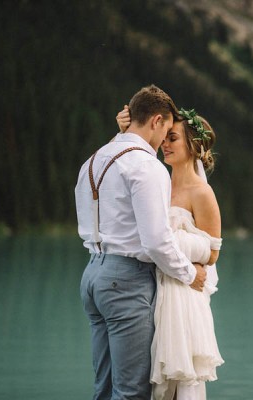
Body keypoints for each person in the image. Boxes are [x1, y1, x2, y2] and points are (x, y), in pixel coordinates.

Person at [75, 84, 207, 400]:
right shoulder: (146, 166)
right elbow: (156, 242)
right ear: (156, 120)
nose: (164, 142)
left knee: (104, 388)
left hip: (93, 276)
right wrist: (191, 275)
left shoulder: (92, 161)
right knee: (131, 391)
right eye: (166, 131)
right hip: (126, 282)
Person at [117, 105, 224, 400]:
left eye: (172, 138)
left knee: (179, 382)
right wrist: (125, 130)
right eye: (164, 137)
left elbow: (213, 253)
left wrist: (166, 238)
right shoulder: (157, 183)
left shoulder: (202, 193)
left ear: (193, 145)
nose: (164, 144)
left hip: (183, 295)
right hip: (150, 289)